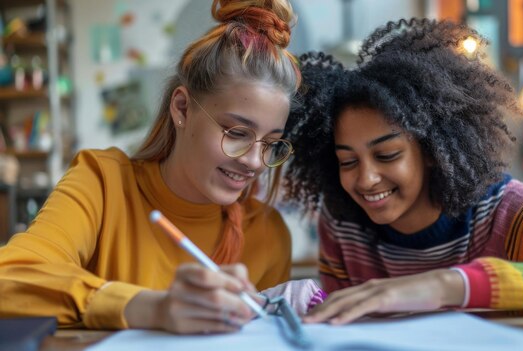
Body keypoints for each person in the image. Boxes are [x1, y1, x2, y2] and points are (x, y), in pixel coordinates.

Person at [0, 0, 324, 334]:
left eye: (271, 143)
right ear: (182, 108)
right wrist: (151, 307)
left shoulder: (268, 234)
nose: (255, 162)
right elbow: (9, 280)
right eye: (237, 133)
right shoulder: (103, 182)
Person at [283, 18, 523, 325]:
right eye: (348, 161)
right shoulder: (343, 227)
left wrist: (450, 285)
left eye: (387, 155)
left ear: (432, 149)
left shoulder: (519, 218)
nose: (366, 179)